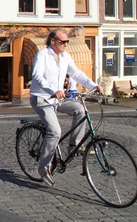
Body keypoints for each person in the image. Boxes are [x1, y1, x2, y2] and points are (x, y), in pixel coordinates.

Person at [30, 29, 103, 187]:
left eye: (67, 42)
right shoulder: (42, 55)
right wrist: (52, 90)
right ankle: (44, 168)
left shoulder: (65, 57)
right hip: (42, 98)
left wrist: (93, 85)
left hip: (58, 99)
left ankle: (74, 145)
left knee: (80, 110)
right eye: (63, 42)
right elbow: (37, 76)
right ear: (53, 42)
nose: (65, 45)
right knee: (55, 131)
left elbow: (76, 74)